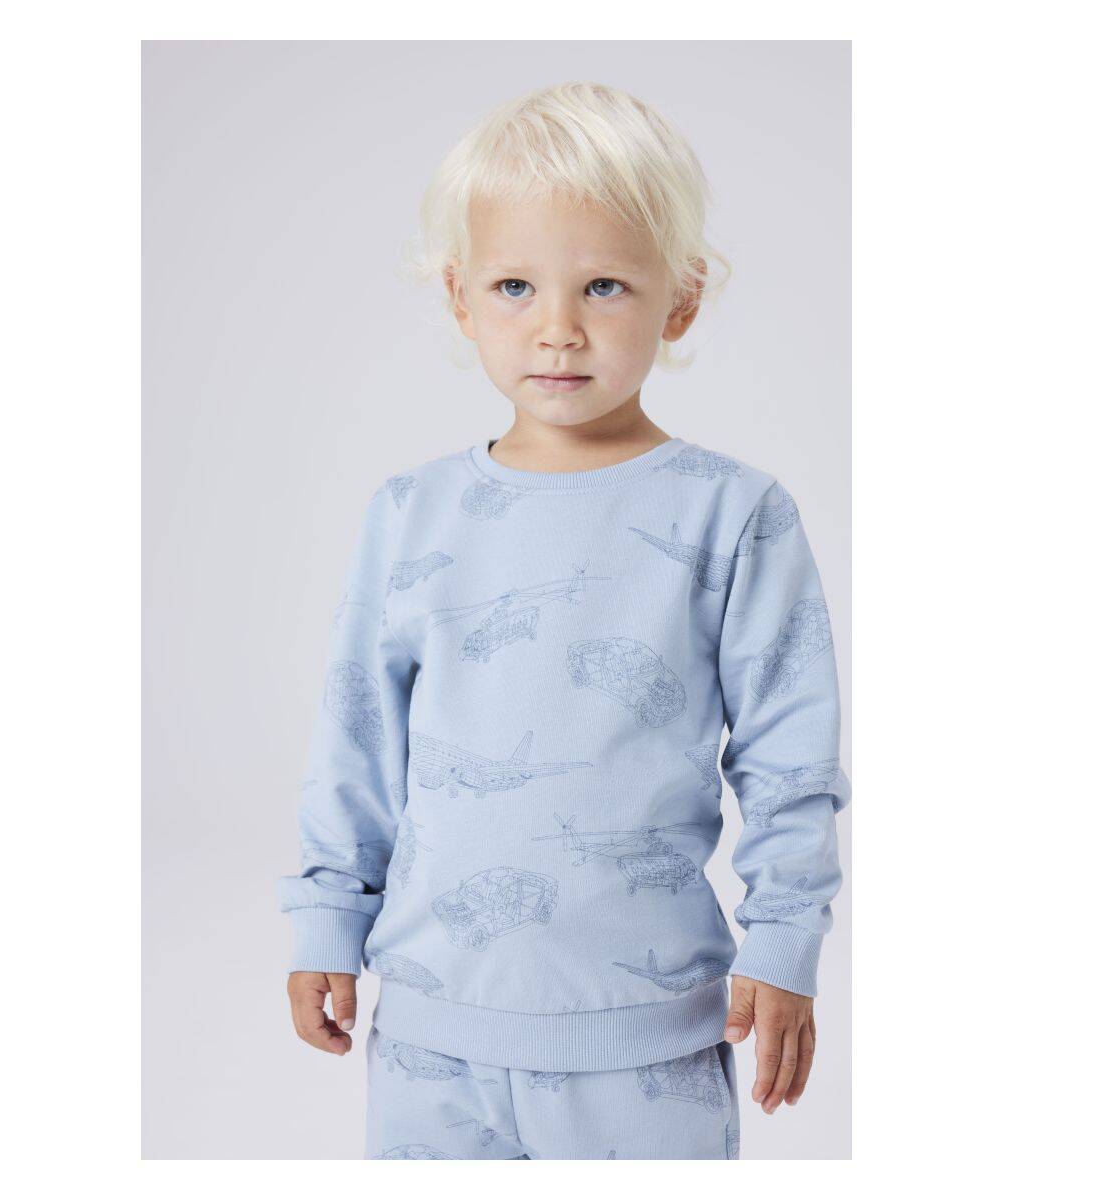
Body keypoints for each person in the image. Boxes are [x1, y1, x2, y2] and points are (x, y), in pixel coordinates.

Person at [278, 81, 849, 1160]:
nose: (558, 329)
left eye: (603, 286)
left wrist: (784, 941)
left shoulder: (734, 514)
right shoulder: (410, 513)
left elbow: (790, 757)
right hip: (431, 1045)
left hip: (648, 1047)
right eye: (514, 285)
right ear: (461, 298)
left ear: (681, 299)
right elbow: (357, 739)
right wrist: (325, 918)